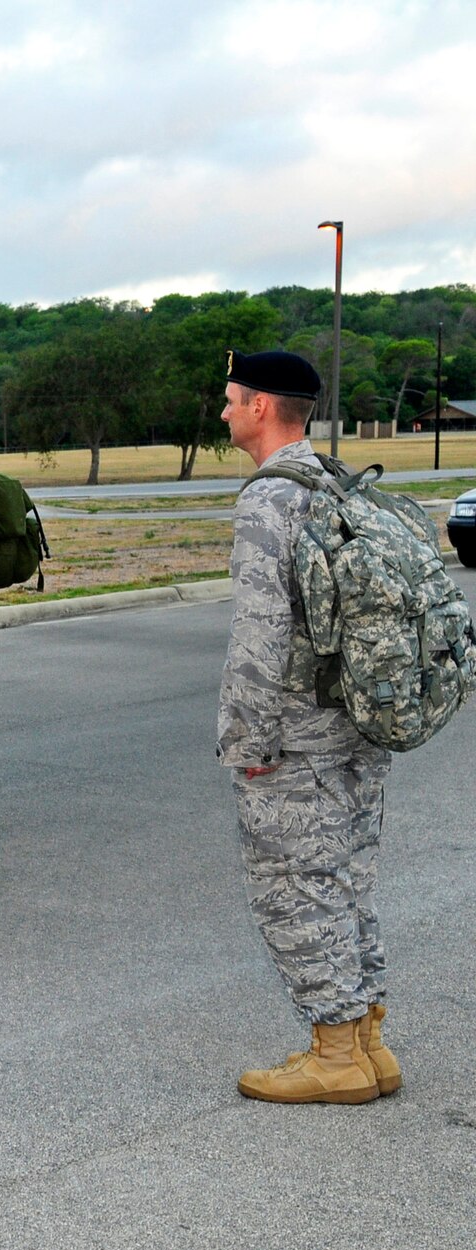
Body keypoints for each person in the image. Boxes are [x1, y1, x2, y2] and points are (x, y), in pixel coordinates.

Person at [218, 350, 399, 1105]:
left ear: (263, 406)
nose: (223, 412)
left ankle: (334, 1053)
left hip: (295, 734)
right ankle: (368, 1042)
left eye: (231, 400)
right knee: (346, 878)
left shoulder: (269, 499)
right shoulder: (332, 480)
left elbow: (260, 633)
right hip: (355, 721)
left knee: (294, 887)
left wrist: (248, 739)